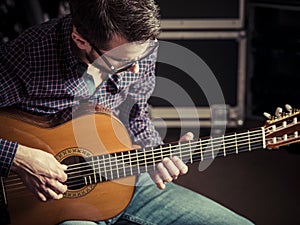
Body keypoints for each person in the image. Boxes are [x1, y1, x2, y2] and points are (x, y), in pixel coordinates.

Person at [0, 0, 254, 224]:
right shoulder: (30, 57)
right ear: (81, 40)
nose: (135, 70)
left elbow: (137, 116)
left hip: (124, 174)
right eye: (122, 62)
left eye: (141, 57)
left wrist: (156, 154)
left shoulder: (138, 48)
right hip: (43, 205)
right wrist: (18, 157)